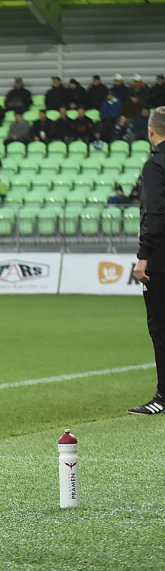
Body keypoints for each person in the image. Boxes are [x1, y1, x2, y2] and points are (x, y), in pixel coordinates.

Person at [130, 106, 165, 415]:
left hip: (161, 261)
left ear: (151, 132)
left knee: (160, 328)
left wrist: (143, 256)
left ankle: (163, 397)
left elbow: (154, 214)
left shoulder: (155, 166)